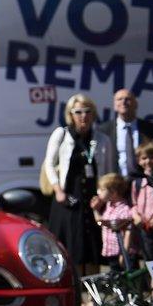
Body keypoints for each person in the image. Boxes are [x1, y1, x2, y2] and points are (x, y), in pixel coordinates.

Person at [43, 93, 115, 274]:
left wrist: (102, 197)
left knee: (91, 248)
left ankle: (93, 295)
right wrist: (58, 190)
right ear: (71, 114)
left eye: (87, 111)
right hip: (67, 198)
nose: (83, 116)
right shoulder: (61, 135)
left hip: (92, 199)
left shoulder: (101, 139)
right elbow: (49, 165)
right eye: (78, 112)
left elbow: (108, 172)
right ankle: (74, 291)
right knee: (69, 247)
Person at [95, 88, 153, 179]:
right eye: (120, 99)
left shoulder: (151, 129)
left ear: (136, 104)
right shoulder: (103, 130)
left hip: (145, 184)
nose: (124, 102)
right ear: (115, 105)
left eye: (128, 99)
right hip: (116, 186)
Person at [131, 141, 153, 305]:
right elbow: (134, 205)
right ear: (139, 161)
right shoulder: (138, 183)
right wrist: (136, 216)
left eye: (152, 157)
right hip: (146, 232)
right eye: (144, 158)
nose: (148, 161)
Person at [90, 173, 135, 270]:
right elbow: (101, 222)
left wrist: (124, 254)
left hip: (121, 252)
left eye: (102, 190)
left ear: (114, 192)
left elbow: (128, 233)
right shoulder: (109, 206)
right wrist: (95, 209)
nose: (98, 192)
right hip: (111, 251)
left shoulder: (124, 209)